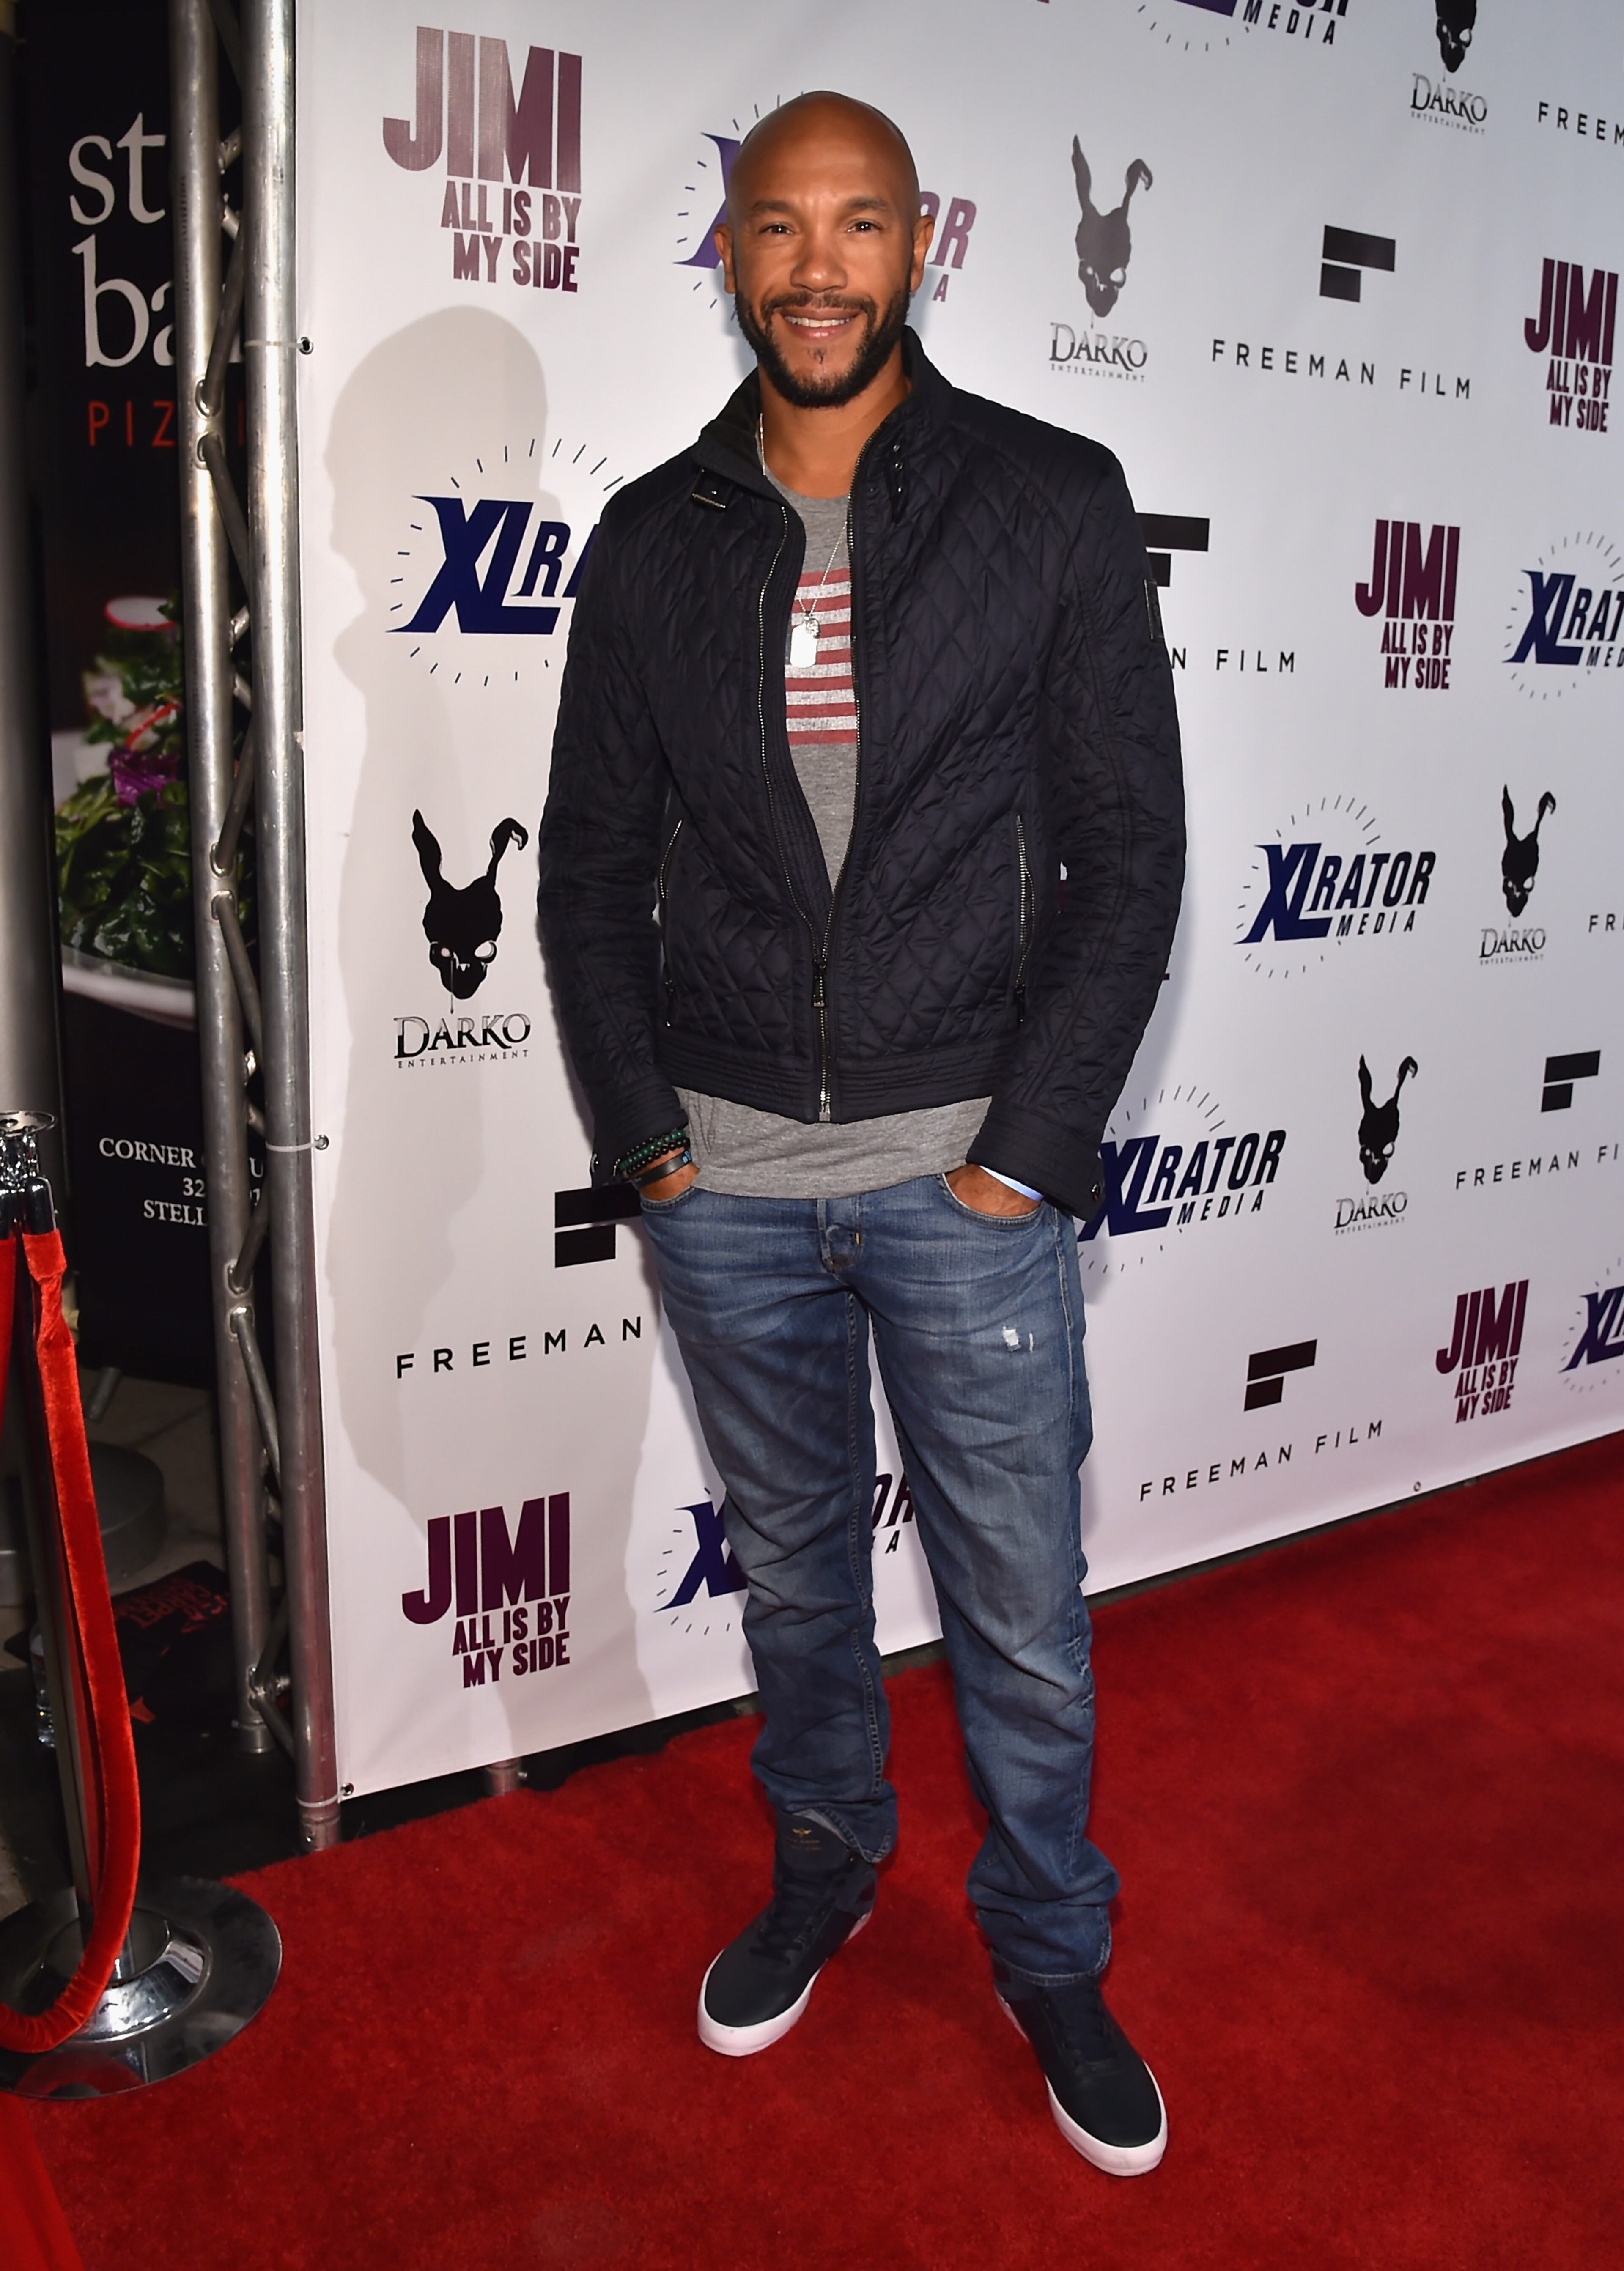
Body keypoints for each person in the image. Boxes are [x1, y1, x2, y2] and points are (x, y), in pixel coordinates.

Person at [537, 91, 1184, 2176]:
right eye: (778, 227)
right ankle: (822, 1868)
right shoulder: (653, 535)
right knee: (803, 1582)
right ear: (727, 251)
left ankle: (1053, 1947)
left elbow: (1130, 852)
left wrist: (1025, 1147)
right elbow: (586, 876)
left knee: (1018, 1603)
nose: (819, 265)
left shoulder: (1050, 500)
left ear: (922, 244)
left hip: (963, 1184)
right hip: (726, 1190)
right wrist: (651, 1147)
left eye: (860, 224)